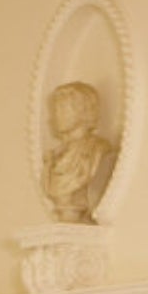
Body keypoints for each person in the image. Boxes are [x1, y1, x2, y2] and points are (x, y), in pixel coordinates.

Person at [39, 81, 117, 224]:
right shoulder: (55, 157)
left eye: (61, 109)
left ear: (82, 110)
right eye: (54, 110)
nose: (53, 116)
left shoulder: (97, 150)